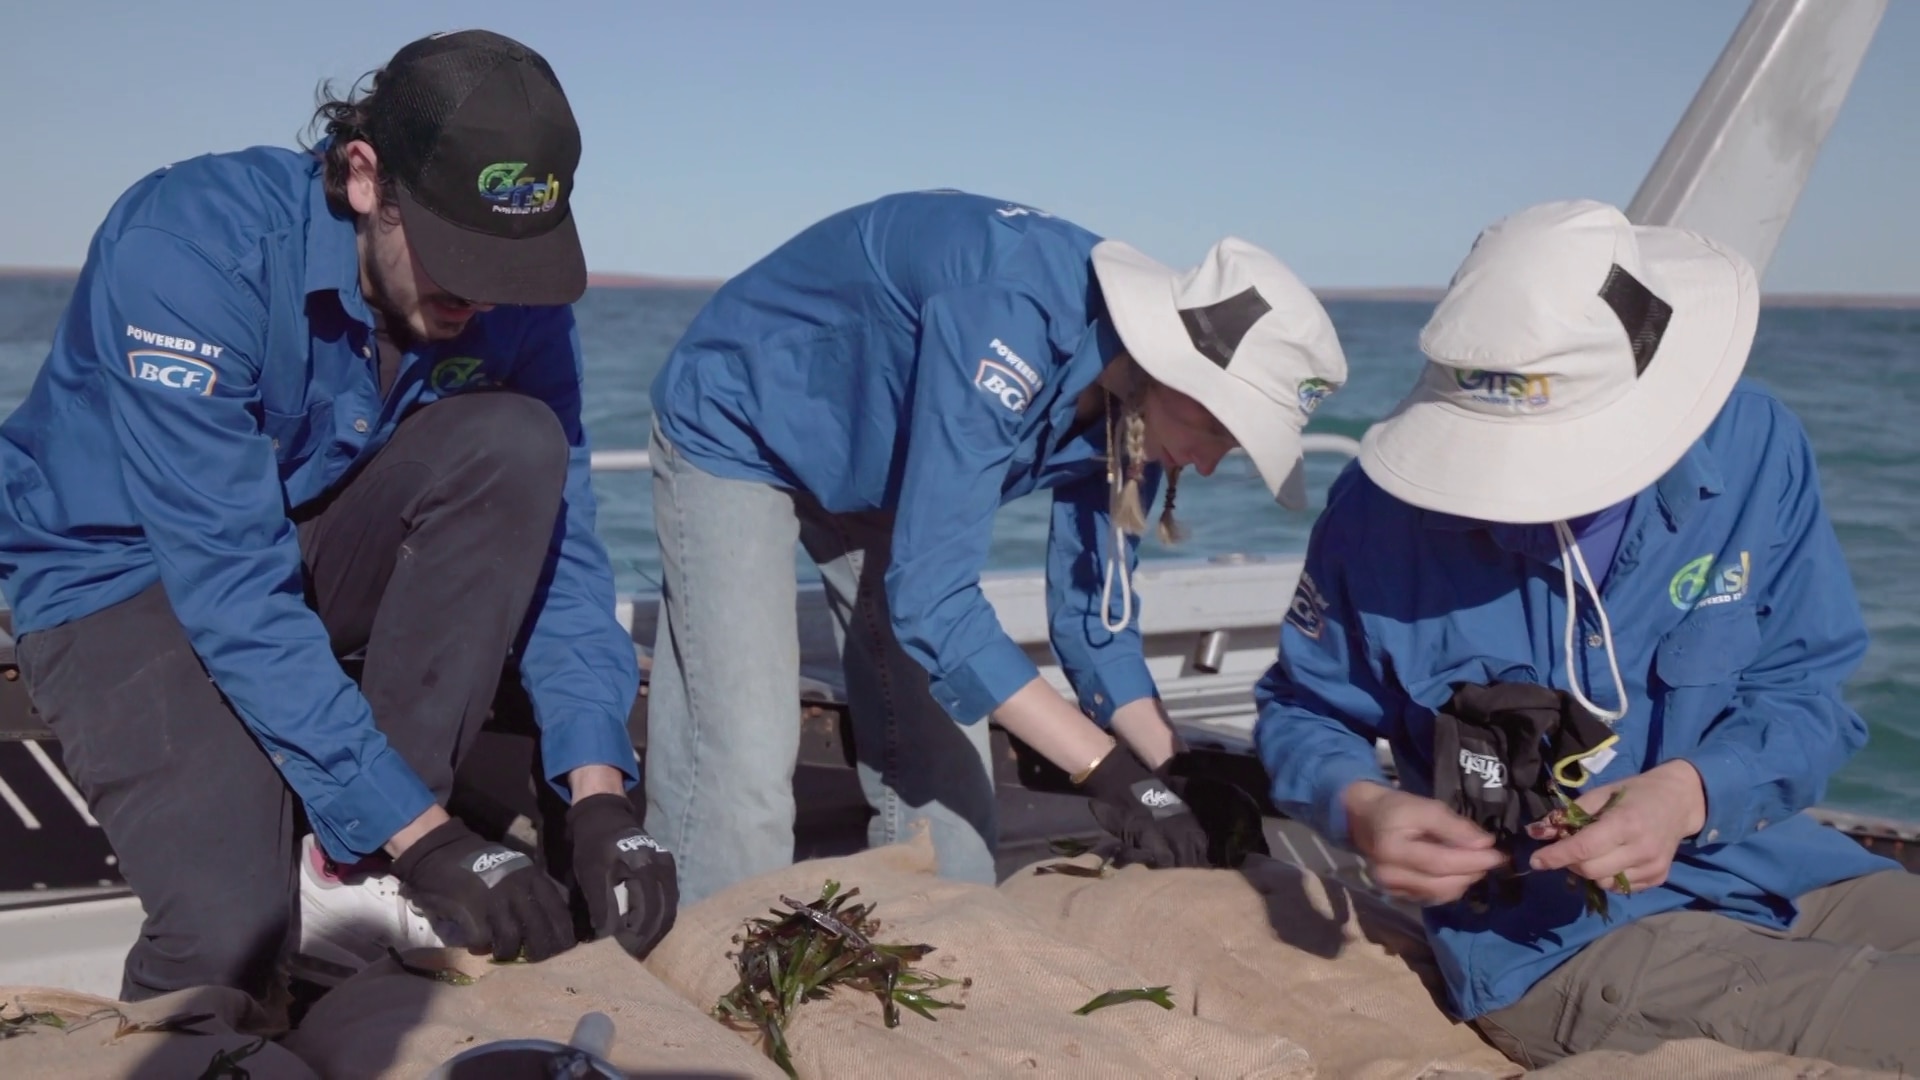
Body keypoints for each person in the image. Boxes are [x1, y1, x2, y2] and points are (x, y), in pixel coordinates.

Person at [0, 30, 677, 1005]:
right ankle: (354, 865)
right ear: (366, 178)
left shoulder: (505, 296)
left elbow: (562, 549)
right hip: (119, 573)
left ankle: (348, 871)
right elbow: (232, 589)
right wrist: (425, 835)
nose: (482, 295)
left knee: (518, 442)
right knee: (230, 941)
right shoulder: (189, 248)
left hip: (299, 542)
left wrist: (601, 794)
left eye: (507, 264)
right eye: (456, 256)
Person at [1255, 199, 1920, 1071]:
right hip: (1555, 945)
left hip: (1791, 865)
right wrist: (1361, 805)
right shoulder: (1374, 522)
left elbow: (1809, 695)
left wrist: (1689, 794)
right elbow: (1304, 708)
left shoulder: (1760, 447)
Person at [644, 189, 1346, 904]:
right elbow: (931, 600)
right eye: (1224, 434)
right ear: (1180, 377)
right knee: (747, 762)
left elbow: (1094, 628)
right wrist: (1105, 771)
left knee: (954, 792)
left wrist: (1171, 770)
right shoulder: (1012, 322)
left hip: (891, 468)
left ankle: (936, 952)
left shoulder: (1136, 412)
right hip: (740, 421)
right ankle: (697, 976)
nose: (1208, 465)